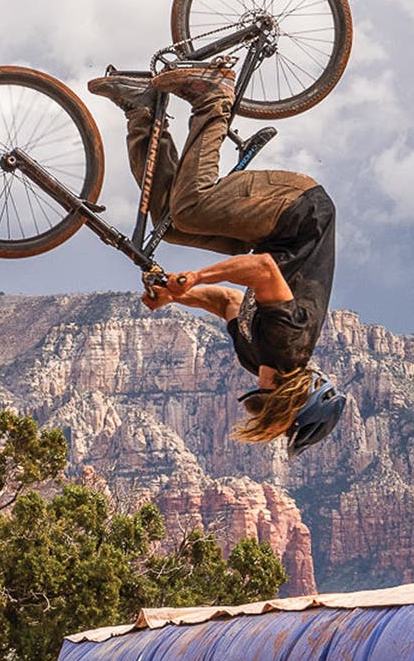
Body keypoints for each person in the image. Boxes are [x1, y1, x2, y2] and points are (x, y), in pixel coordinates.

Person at [89, 59, 348, 455]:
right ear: (287, 400)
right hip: (298, 210)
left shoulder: (254, 357)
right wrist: (196, 277)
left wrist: (176, 294)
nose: (260, 414)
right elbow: (262, 271)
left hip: (268, 230)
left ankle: (143, 109)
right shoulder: (288, 345)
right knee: (191, 207)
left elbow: (228, 303)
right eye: (271, 416)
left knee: (170, 222)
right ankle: (213, 97)